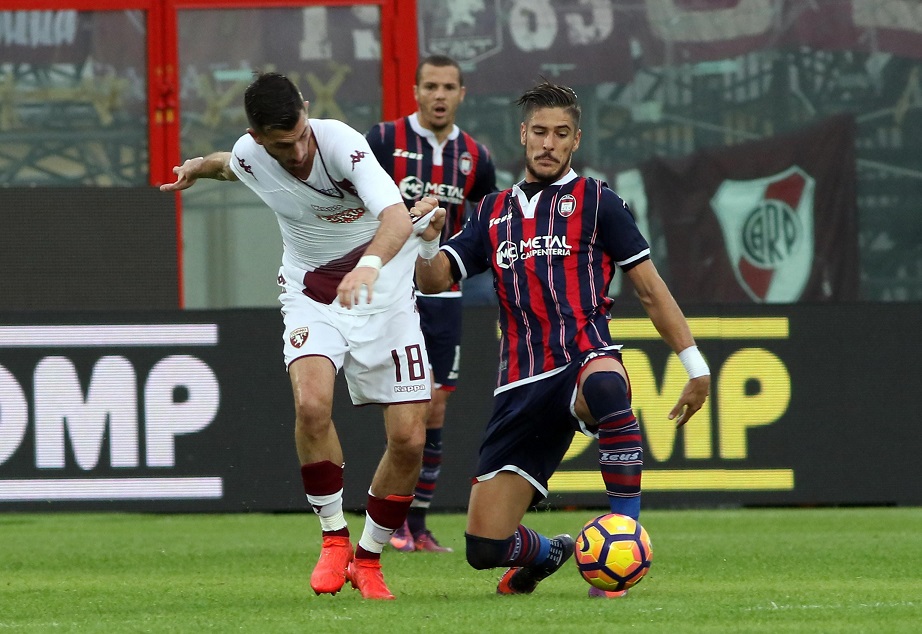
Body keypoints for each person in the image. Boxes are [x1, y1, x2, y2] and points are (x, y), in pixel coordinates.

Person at [411, 81, 711, 598]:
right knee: (483, 550)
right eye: (541, 133)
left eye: (562, 134)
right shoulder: (491, 212)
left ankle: (624, 543)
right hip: (520, 384)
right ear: (524, 135)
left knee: (608, 389)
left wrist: (696, 365)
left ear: (576, 141)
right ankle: (549, 551)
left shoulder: (599, 202)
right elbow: (434, 279)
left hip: (583, 357)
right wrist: (429, 236)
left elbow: (651, 291)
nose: (549, 144)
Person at [160, 72, 434, 601]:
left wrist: (370, 265)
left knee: (409, 439)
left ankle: (370, 560)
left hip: (385, 284)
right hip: (313, 291)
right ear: (258, 136)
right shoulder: (251, 153)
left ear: (307, 112)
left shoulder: (342, 144)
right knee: (311, 406)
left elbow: (398, 217)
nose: (297, 148)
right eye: (282, 143)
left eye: (301, 133)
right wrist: (198, 166)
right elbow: (231, 166)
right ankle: (334, 539)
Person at [366, 55, 497, 553]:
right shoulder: (382, 140)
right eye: (431, 86)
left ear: (462, 94)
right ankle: (392, 518)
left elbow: (487, 219)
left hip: (444, 292)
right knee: (407, 407)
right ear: (416, 91)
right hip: (393, 288)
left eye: (449, 87)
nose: (439, 95)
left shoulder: (475, 157)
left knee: (436, 406)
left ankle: (416, 525)